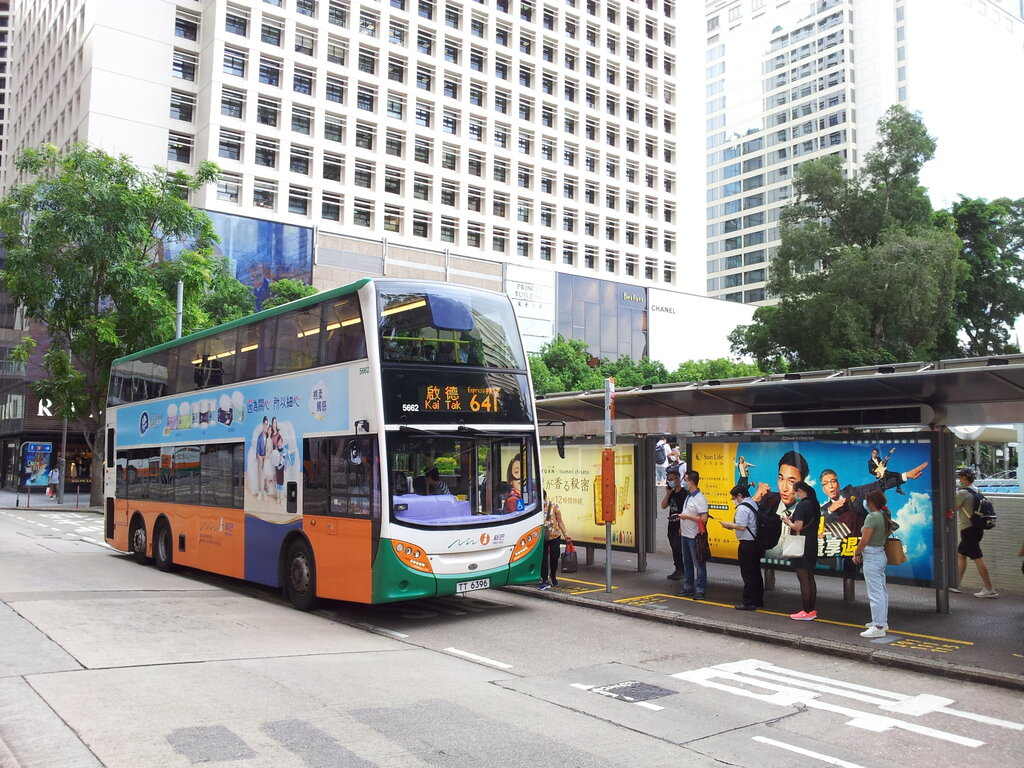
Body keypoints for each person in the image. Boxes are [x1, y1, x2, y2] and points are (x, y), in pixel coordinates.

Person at [953, 469, 997, 597]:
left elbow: (952, 506)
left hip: (968, 529)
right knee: (961, 554)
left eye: (960, 478)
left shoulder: (962, 493)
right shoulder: (976, 490)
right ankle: (956, 584)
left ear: (964, 479)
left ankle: (989, 588)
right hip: (977, 528)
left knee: (977, 558)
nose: (959, 480)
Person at [854, 489, 892, 638]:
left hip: (872, 556)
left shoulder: (871, 517)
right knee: (881, 591)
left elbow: (864, 540)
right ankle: (882, 621)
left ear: (871, 502)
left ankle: (878, 626)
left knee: (875, 593)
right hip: (880, 554)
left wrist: (856, 553)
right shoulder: (883, 515)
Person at [718, 484, 763, 610]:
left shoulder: (742, 508)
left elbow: (741, 526)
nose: (733, 501)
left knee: (748, 574)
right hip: (754, 544)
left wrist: (729, 525)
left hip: (746, 544)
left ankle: (748, 602)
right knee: (755, 573)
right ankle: (758, 600)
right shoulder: (753, 504)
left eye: (734, 498)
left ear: (739, 495)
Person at [785, 481, 821, 620]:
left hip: (801, 546)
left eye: (795, 493)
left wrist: (788, 522)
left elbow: (798, 526)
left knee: (803, 578)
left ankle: (806, 611)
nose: (794, 495)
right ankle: (811, 610)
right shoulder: (814, 503)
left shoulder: (802, 505)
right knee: (810, 577)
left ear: (800, 490)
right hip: (812, 544)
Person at [676, 470, 709, 600]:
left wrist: (687, 517)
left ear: (691, 482)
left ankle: (700, 589)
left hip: (695, 536)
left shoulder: (699, 498)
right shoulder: (689, 496)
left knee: (699, 564)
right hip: (685, 534)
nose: (684, 482)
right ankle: (688, 587)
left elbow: (704, 518)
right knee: (687, 562)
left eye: (685, 480)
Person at [660, 466, 689, 580]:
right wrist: (667, 493)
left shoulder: (684, 493)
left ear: (678, 479)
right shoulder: (671, 493)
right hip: (671, 525)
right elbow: (663, 506)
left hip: (680, 525)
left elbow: (685, 511)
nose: (671, 481)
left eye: (672, 479)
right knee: (674, 547)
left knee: (679, 548)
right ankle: (678, 569)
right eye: (669, 479)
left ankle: (683, 570)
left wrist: (682, 526)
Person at [538, 491, 570, 589]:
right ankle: (544, 579)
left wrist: (566, 534)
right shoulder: (536, 508)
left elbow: (560, 521)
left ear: (545, 497)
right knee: (543, 559)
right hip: (541, 537)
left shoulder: (554, 506)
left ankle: (553, 575)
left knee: (554, 557)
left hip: (554, 536)